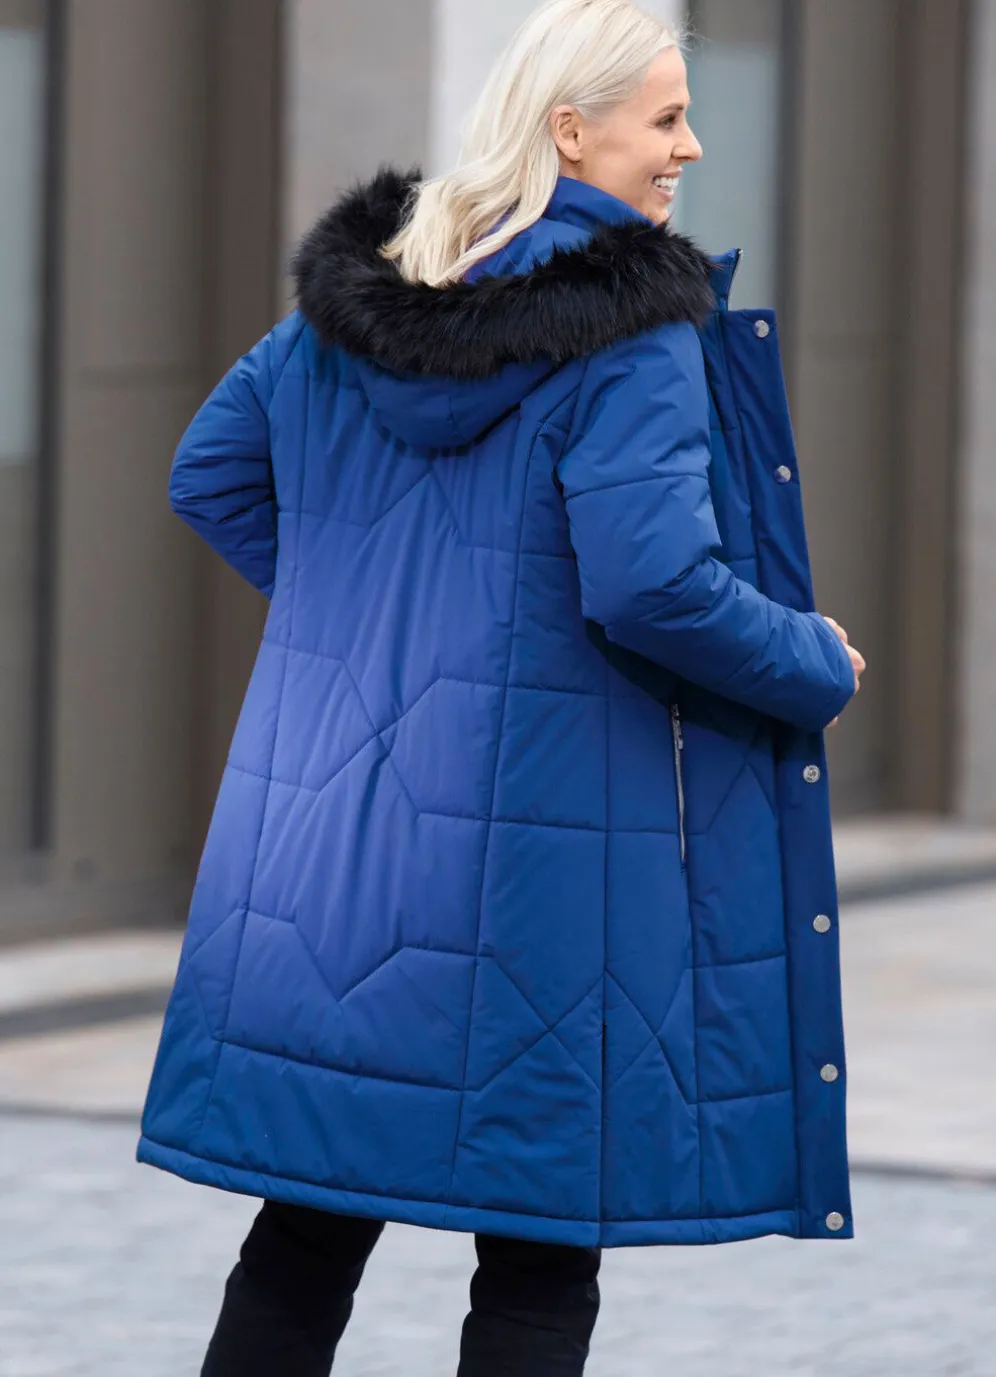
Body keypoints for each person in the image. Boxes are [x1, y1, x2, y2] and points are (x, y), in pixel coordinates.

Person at [138, 0, 867, 1372]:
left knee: (308, 1220)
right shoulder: (630, 329)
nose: (690, 147)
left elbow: (209, 477)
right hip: (542, 870)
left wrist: (369, 623)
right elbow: (653, 585)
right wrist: (811, 660)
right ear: (569, 129)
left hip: (334, 854)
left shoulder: (364, 302)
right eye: (665, 118)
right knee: (539, 1253)